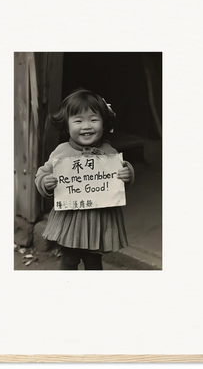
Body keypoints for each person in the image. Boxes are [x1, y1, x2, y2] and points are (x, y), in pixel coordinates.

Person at [35, 88, 135, 270]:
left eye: (94, 120)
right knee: (69, 260)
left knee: (94, 261)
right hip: (71, 220)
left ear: (104, 124)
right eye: (78, 120)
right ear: (66, 125)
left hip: (99, 221)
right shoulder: (61, 152)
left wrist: (126, 174)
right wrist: (46, 182)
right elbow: (41, 174)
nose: (86, 126)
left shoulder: (109, 152)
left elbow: (117, 181)